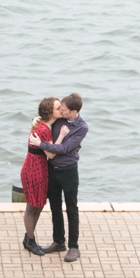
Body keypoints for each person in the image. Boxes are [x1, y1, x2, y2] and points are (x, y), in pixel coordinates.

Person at [29, 92, 88, 263]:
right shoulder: (60, 119)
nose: (61, 111)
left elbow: (64, 148)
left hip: (69, 171)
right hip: (52, 170)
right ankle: (58, 242)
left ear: (74, 111)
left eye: (64, 110)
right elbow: (46, 121)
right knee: (55, 207)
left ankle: (73, 247)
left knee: (71, 208)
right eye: (60, 108)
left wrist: (40, 145)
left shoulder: (82, 127)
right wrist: (36, 119)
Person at [19, 97, 69, 256]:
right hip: (34, 169)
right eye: (57, 108)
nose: (60, 109)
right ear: (50, 112)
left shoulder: (44, 124)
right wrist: (61, 136)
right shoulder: (43, 129)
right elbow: (51, 154)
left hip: (39, 167)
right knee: (32, 206)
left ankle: (29, 237)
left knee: (39, 204)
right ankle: (30, 241)